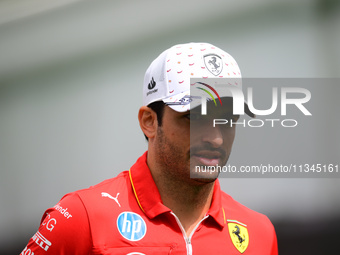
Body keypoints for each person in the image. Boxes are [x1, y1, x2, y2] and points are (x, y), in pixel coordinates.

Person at [21, 42, 278, 255]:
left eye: (227, 119)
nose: (216, 138)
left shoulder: (259, 233)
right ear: (149, 122)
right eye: (194, 117)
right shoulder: (81, 217)